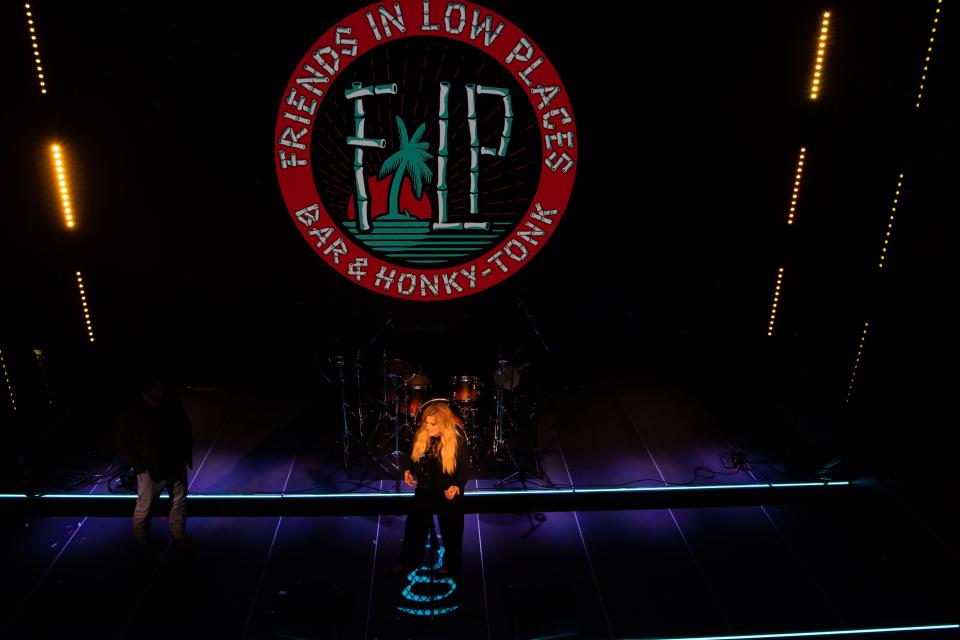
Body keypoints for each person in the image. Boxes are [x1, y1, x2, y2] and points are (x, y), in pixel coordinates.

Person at [115, 376, 194, 556]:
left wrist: (184, 453)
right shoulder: (133, 412)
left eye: (161, 384)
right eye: (156, 385)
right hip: (152, 469)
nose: (161, 387)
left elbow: (184, 426)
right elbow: (122, 444)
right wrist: (141, 466)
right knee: (145, 508)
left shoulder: (170, 403)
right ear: (145, 389)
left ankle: (179, 534)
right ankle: (143, 542)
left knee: (180, 502)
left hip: (175, 463)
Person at [392, 401, 472, 577]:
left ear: (443, 424)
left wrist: (456, 486)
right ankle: (409, 561)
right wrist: (408, 470)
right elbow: (411, 456)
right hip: (425, 488)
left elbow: (465, 469)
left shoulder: (457, 438)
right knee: (414, 527)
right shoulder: (422, 434)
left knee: (452, 531)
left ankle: (451, 565)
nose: (427, 427)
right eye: (426, 423)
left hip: (448, 490)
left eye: (432, 424)